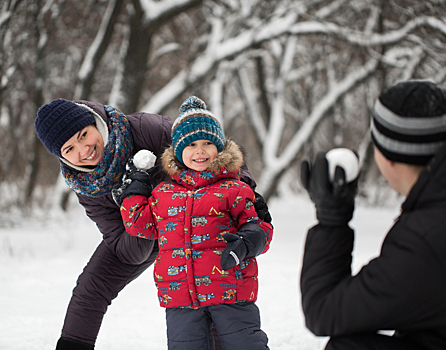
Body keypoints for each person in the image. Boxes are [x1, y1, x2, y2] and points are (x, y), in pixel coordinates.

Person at [34, 98, 272, 349]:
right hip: (144, 230)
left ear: (95, 122)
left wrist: (247, 194)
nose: (84, 150)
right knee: (91, 286)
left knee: (209, 291)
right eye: (69, 149)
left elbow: (212, 147)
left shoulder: (146, 130)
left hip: (201, 218)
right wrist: (135, 205)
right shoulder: (85, 186)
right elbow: (125, 250)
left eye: (84, 134)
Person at [299, 80, 446, 350]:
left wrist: (331, 220)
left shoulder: (430, 237)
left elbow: (324, 311)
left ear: (388, 158)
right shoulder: (445, 206)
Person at [116, 96, 273, 349]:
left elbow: (258, 228)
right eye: (190, 145)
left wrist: (246, 242)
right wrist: (137, 185)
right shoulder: (163, 193)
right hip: (180, 297)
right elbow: (138, 224)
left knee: (247, 344)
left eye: (207, 143)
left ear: (219, 148)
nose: (199, 151)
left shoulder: (234, 189)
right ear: (178, 151)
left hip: (230, 290)